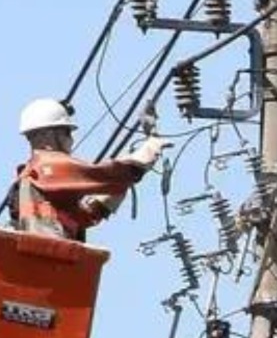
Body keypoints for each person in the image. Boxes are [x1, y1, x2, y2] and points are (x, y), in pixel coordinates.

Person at [12, 97, 168, 239]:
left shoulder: (32, 179)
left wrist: (110, 196)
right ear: (47, 135)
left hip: (49, 260)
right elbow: (114, 175)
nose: (71, 140)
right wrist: (152, 145)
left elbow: (84, 217)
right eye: (67, 133)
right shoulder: (48, 166)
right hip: (51, 256)